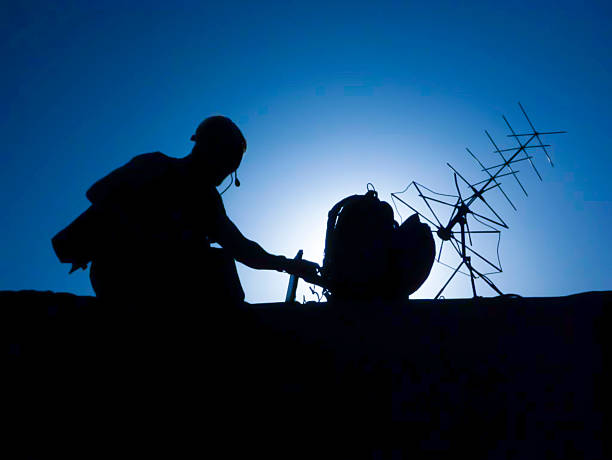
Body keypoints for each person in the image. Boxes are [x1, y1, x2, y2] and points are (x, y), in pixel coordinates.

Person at [52, 116, 320, 307]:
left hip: (165, 280)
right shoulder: (155, 166)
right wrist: (151, 226)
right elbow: (97, 193)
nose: (223, 173)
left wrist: (288, 265)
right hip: (122, 273)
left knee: (219, 265)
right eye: (225, 162)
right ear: (206, 149)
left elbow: (242, 248)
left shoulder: (206, 201)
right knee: (215, 266)